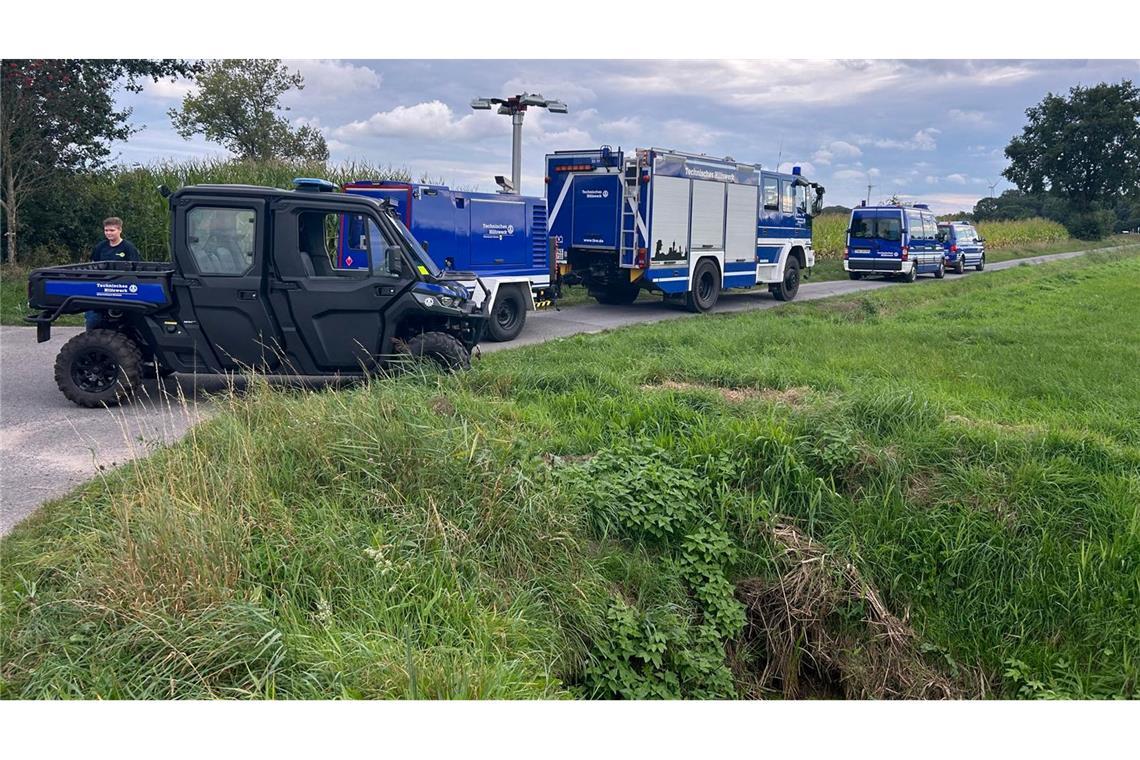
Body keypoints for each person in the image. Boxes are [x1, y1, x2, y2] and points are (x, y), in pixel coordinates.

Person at [87, 217, 141, 331]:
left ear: (120, 230)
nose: (108, 233)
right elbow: (93, 264)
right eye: (106, 230)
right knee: (93, 317)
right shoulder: (101, 247)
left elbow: (136, 268)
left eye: (112, 230)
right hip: (101, 287)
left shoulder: (128, 247)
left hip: (121, 288)